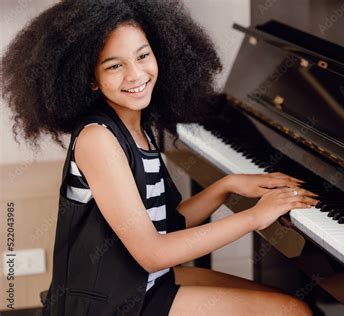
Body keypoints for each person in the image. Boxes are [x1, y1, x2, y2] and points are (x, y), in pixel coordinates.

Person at [1, 1, 317, 315]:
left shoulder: (137, 125)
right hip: (110, 302)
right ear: (90, 79)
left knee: (284, 301)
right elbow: (153, 253)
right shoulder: (98, 139)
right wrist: (253, 217)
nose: (136, 74)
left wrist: (227, 186)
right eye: (114, 65)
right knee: (292, 311)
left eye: (143, 56)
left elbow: (166, 224)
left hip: (141, 283)